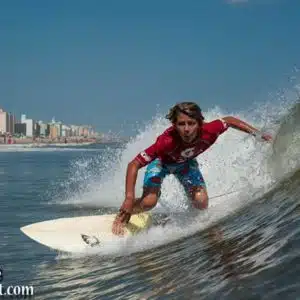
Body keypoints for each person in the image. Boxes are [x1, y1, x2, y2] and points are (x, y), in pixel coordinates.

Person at [112, 102, 272, 235]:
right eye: (181, 124)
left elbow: (229, 121)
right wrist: (128, 198)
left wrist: (257, 133)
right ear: (174, 125)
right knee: (149, 202)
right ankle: (125, 213)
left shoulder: (209, 130)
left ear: (200, 123)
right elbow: (134, 164)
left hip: (185, 164)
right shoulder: (166, 142)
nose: (187, 129)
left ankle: (183, 216)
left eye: (191, 123)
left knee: (201, 202)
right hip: (161, 163)